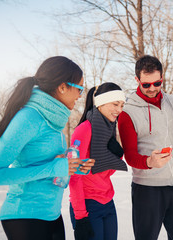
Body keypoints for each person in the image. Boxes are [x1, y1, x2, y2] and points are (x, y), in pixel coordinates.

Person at [0, 56, 94, 240]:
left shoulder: (53, 121)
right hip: (25, 217)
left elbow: (47, 163)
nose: (81, 95)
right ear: (62, 87)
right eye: (80, 88)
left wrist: (71, 166)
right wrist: (53, 168)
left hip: (51, 214)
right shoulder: (28, 118)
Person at [118, 55, 173, 240]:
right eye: (146, 84)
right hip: (147, 189)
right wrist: (149, 162)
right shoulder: (127, 111)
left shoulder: (172, 101)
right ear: (137, 80)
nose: (152, 88)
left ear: (162, 78)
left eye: (157, 83)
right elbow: (129, 155)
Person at [69, 82, 127, 240]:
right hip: (88, 205)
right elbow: (74, 176)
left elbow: (105, 173)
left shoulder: (109, 130)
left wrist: (117, 156)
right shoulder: (84, 129)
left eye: (122, 105)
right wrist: (80, 216)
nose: (119, 110)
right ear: (101, 103)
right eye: (115, 104)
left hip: (107, 202)